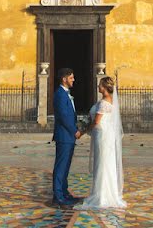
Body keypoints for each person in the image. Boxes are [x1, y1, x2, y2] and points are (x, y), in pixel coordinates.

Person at [75, 76, 127, 210]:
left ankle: (102, 196)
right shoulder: (109, 101)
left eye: (100, 85)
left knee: (102, 164)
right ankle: (108, 194)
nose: (98, 87)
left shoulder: (104, 103)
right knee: (106, 163)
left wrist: (83, 131)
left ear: (104, 87)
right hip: (105, 136)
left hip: (102, 137)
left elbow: (96, 122)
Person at [51, 67, 83, 208]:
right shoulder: (59, 94)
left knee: (65, 167)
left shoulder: (65, 94)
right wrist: (74, 130)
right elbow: (64, 116)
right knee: (60, 167)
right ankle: (58, 197)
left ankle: (64, 193)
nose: (73, 80)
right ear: (64, 79)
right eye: (71, 77)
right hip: (64, 135)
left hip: (68, 137)